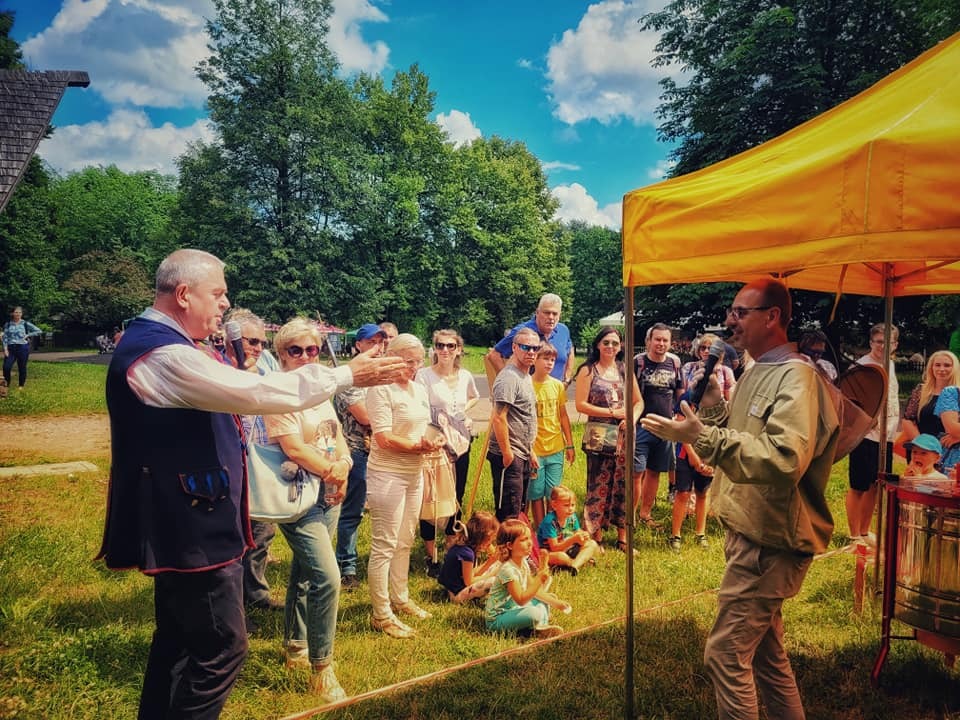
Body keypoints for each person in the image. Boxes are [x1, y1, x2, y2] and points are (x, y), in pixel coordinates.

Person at [96, 248, 405, 719]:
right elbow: (256, 393)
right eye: (217, 293)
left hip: (190, 522)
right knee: (222, 648)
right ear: (184, 294)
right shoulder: (164, 354)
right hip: (193, 531)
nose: (225, 304)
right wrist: (347, 373)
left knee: (179, 641)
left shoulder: (163, 344)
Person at [641, 278, 839, 720]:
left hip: (771, 542)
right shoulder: (757, 368)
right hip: (748, 532)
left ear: (772, 317)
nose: (731, 319)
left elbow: (784, 458)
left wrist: (703, 435)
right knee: (767, 657)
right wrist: (709, 408)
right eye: (732, 310)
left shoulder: (799, 379)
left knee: (726, 655)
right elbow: (740, 432)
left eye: (741, 311)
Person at [263, 318, 352, 702]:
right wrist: (334, 470)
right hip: (298, 494)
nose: (304, 357)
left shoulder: (320, 391)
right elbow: (293, 447)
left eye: (312, 349)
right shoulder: (278, 393)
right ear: (281, 353)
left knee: (304, 573)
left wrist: (344, 469)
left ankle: (295, 647)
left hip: (328, 491)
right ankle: (323, 668)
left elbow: (336, 437)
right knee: (328, 576)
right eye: (294, 350)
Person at [365, 333, 445, 639]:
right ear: (391, 358)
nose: (413, 367)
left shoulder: (417, 388)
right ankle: (381, 613)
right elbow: (383, 437)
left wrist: (433, 439)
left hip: (415, 471)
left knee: (404, 539)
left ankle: (400, 598)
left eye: (417, 361)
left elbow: (423, 426)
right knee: (384, 543)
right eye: (407, 361)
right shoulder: (380, 389)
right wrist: (418, 447)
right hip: (387, 473)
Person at [223, 308, 282, 615]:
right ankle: (232, 604)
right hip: (231, 467)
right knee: (232, 536)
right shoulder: (219, 371)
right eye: (251, 341)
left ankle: (255, 594)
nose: (258, 348)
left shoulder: (265, 371)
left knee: (262, 532)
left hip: (262, 463)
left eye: (262, 342)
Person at [415, 328, 480, 576]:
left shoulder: (464, 376)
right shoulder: (424, 376)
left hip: (461, 442)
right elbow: (419, 407)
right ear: (434, 349)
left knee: (456, 495)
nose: (445, 350)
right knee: (432, 498)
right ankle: (431, 557)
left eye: (450, 346)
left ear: (458, 350)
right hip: (435, 444)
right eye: (440, 346)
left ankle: (451, 547)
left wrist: (464, 413)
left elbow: (473, 397)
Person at [573, 326, 643, 553]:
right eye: (606, 342)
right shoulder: (588, 370)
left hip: (624, 435)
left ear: (621, 346)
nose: (611, 347)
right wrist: (612, 413)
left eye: (615, 343)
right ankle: (596, 534)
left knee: (623, 484)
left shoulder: (625, 369)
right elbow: (580, 404)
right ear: (597, 345)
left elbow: (638, 402)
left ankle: (623, 536)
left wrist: (631, 418)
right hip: (599, 435)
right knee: (598, 483)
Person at [333, 323, 388, 591]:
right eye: (372, 342)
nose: (378, 347)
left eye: (382, 341)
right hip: (355, 451)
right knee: (351, 512)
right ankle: (346, 566)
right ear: (358, 345)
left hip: (380, 451)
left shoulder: (380, 375)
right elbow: (366, 417)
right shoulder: (349, 379)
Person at [847, 323, 900, 545]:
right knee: (859, 484)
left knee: (876, 485)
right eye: (879, 341)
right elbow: (848, 400)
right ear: (871, 343)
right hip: (865, 436)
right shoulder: (861, 367)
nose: (883, 346)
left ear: (895, 345)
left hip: (886, 436)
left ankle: (865, 531)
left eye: (888, 342)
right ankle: (853, 534)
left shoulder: (890, 365)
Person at [487, 327, 540, 522]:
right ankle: (504, 551)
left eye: (535, 348)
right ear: (514, 347)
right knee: (508, 513)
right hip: (508, 455)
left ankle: (517, 551)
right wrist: (508, 454)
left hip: (522, 452)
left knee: (519, 508)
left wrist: (530, 450)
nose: (531, 352)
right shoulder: (509, 377)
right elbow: (499, 417)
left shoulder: (525, 375)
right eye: (526, 347)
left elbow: (523, 415)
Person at [634, 322, 684, 528]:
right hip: (642, 426)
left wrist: (680, 417)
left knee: (655, 472)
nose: (661, 344)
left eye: (665, 340)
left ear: (671, 343)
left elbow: (680, 392)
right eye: (657, 339)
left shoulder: (675, 363)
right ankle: (629, 517)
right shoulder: (638, 362)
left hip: (665, 427)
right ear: (648, 341)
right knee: (636, 473)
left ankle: (645, 514)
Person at [484, 518, 569, 637]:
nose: (530, 543)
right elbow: (521, 599)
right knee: (534, 613)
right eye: (524, 540)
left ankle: (538, 627)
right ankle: (537, 626)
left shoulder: (523, 562)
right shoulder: (508, 570)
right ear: (510, 545)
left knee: (548, 598)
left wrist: (556, 603)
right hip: (498, 619)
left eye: (529, 538)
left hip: (514, 609)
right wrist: (539, 579)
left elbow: (534, 591)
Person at [528, 343, 575, 529]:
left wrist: (569, 445)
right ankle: (540, 530)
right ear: (535, 360)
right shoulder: (527, 384)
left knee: (553, 493)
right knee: (536, 492)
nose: (549, 363)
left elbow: (563, 415)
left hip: (555, 448)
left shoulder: (557, 386)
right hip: (535, 450)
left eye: (553, 360)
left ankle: (550, 528)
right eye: (545, 358)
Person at [485, 293, 575, 383]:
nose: (551, 317)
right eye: (546, 313)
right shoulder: (523, 331)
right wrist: (508, 382)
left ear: (560, 315)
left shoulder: (564, 330)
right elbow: (494, 355)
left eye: (555, 314)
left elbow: (570, 351)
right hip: (528, 393)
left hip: (555, 392)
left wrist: (567, 379)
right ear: (537, 312)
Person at [901, 350, 960, 464]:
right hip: (922, 452)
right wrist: (924, 447)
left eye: (947, 365)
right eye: (937, 365)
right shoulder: (920, 391)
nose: (941, 369)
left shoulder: (957, 394)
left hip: (951, 453)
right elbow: (908, 420)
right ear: (931, 367)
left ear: (955, 368)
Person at [437, 510, 501, 603]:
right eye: (490, 540)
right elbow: (469, 582)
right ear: (483, 537)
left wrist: (489, 562)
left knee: (496, 565)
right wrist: (493, 574)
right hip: (457, 594)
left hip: (454, 588)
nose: (490, 543)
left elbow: (472, 573)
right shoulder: (467, 553)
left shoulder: (464, 546)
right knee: (494, 581)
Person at [536, 485, 599, 575]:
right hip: (551, 553)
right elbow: (554, 548)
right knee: (560, 557)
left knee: (592, 544)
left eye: (573, 505)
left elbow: (578, 532)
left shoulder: (572, 517)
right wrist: (573, 539)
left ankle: (574, 566)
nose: (570, 509)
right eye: (566, 505)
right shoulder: (550, 522)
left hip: (568, 548)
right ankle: (578, 562)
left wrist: (583, 535)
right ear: (554, 505)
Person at [2, 306, 42, 390]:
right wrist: (5, 349)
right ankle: (7, 384)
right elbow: (5, 337)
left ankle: (21, 385)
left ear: (22, 314)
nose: (18, 314)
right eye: (16, 312)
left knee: (22, 367)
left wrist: (28, 335)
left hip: (22, 347)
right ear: (12, 313)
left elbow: (39, 331)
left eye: (20, 312)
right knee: (6, 367)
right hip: (11, 348)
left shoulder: (25, 323)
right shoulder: (8, 324)